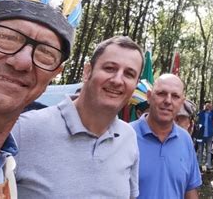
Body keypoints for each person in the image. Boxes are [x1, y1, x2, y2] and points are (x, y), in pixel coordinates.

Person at [0, 0, 83, 197]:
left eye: (45, 53)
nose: (21, 62)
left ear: (54, 74)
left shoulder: (6, 165)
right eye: (7, 37)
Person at [12, 36, 143, 198]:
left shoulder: (128, 138)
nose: (117, 80)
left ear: (135, 86)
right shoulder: (24, 129)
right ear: (87, 71)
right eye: (109, 68)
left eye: (129, 74)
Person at [131, 74, 201, 199]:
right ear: (149, 97)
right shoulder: (126, 135)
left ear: (181, 102)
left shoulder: (185, 140)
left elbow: (190, 190)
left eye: (175, 96)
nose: (168, 101)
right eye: (161, 93)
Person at [197, 100, 213, 170]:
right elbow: (198, 116)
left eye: (209, 105)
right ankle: (198, 164)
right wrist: (203, 109)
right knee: (200, 150)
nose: (208, 106)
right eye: (207, 105)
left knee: (209, 150)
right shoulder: (201, 113)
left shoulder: (212, 113)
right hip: (201, 134)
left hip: (209, 135)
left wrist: (212, 109)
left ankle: (208, 165)